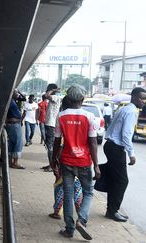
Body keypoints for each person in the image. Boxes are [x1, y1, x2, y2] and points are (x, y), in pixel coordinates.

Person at [51, 85, 100, 240]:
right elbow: (93, 143)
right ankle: (82, 220)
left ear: (69, 99)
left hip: (66, 161)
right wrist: (96, 165)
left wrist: (53, 160)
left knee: (68, 195)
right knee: (88, 192)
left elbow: (57, 142)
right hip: (84, 162)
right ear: (82, 99)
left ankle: (69, 229)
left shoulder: (61, 116)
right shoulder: (89, 116)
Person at [102, 87, 146, 222]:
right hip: (116, 147)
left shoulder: (124, 108)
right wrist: (131, 154)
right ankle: (113, 210)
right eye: (141, 98)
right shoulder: (132, 111)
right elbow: (126, 135)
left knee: (115, 179)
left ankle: (111, 209)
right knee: (122, 181)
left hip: (110, 145)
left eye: (144, 98)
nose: (143, 101)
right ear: (133, 97)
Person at [42, 83, 62, 172]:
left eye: (48, 89)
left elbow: (46, 95)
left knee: (51, 146)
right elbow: (44, 96)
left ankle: (53, 166)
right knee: (49, 145)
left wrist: (53, 90)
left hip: (51, 125)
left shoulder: (55, 97)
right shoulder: (54, 98)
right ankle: (51, 164)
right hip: (49, 124)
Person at [5, 89, 25, 169]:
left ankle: (10, 162)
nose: (18, 94)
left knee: (12, 143)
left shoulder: (12, 100)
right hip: (14, 125)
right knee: (18, 143)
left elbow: (23, 98)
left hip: (14, 124)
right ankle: (15, 163)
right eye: (16, 92)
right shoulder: (10, 101)